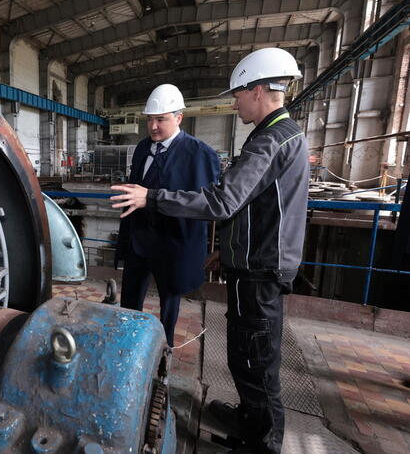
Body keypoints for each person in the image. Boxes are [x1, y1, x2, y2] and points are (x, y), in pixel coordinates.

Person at [110, 47, 309, 454]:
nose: (233, 101)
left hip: (259, 267)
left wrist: (152, 198)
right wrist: (230, 250)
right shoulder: (278, 136)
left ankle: (264, 443)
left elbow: (221, 201)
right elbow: (258, 207)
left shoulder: (270, 140)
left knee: (257, 361)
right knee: (245, 354)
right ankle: (249, 421)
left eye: (237, 93)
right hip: (250, 259)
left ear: (257, 90)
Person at [113, 84, 220, 348]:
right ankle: (128, 346)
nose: (153, 126)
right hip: (139, 241)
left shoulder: (200, 155)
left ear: (178, 118)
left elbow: (204, 205)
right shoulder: (141, 149)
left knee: (169, 306)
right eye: (149, 119)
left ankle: (165, 351)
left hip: (173, 244)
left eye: (161, 119)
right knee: (130, 303)